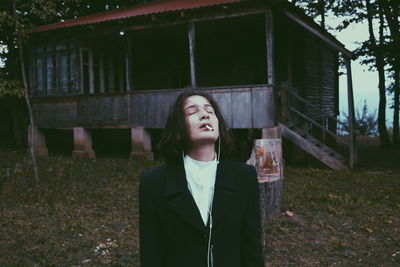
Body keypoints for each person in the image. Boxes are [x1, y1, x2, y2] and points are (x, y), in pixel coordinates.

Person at [139, 91, 264, 267]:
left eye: (209, 111)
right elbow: (151, 253)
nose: (204, 114)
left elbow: (252, 247)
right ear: (178, 128)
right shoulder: (153, 182)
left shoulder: (244, 177)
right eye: (192, 111)